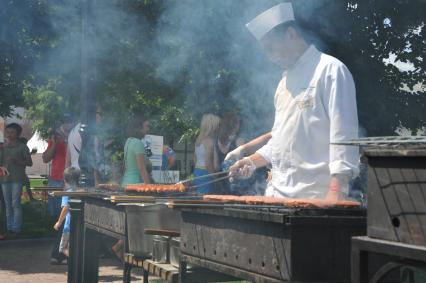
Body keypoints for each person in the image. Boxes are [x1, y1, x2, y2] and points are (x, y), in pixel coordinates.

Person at [230, 3, 359, 202]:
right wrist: (251, 161)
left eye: (271, 48)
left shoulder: (330, 70)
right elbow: (279, 141)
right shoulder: (283, 85)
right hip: (276, 197)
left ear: (291, 34)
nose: (269, 57)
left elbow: (344, 138)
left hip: (315, 199)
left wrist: (336, 192)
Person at [43, 114, 74, 264]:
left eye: (69, 122)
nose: (67, 125)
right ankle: (59, 252)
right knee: (59, 217)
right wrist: (55, 143)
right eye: (65, 122)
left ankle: (59, 253)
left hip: (71, 180)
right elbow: (45, 158)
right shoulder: (55, 138)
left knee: (65, 217)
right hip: (57, 180)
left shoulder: (75, 137)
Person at [0, 123, 33, 238]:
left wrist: (17, 161)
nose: (9, 134)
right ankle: (9, 228)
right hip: (4, 179)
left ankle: (16, 229)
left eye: (12, 132)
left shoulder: (22, 147)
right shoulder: (3, 147)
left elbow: (30, 162)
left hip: (17, 179)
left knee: (15, 204)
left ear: (18, 134)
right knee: (8, 205)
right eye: (7, 132)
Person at [53, 167, 80, 258]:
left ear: (65, 180)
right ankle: (75, 261)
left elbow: (65, 208)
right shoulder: (81, 191)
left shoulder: (67, 193)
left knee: (63, 248)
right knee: (74, 247)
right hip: (79, 225)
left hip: (68, 227)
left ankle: (75, 260)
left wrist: (59, 222)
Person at [192, 114, 220, 194]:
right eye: (217, 125)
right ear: (212, 126)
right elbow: (208, 164)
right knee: (206, 198)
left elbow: (195, 159)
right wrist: (215, 178)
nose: (218, 128)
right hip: (206, 173)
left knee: (199, 196)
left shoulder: (198, 140)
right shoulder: (209, 142)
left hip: (197, 171)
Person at [121, 115, 152, 186]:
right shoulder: (138, 143)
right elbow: (141, 168)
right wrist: (149, 187)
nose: (148, 129)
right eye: (146, 126)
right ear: (139, 128)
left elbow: (125, 166)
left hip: (125, 183)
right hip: (135, 185)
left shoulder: (128, 141)